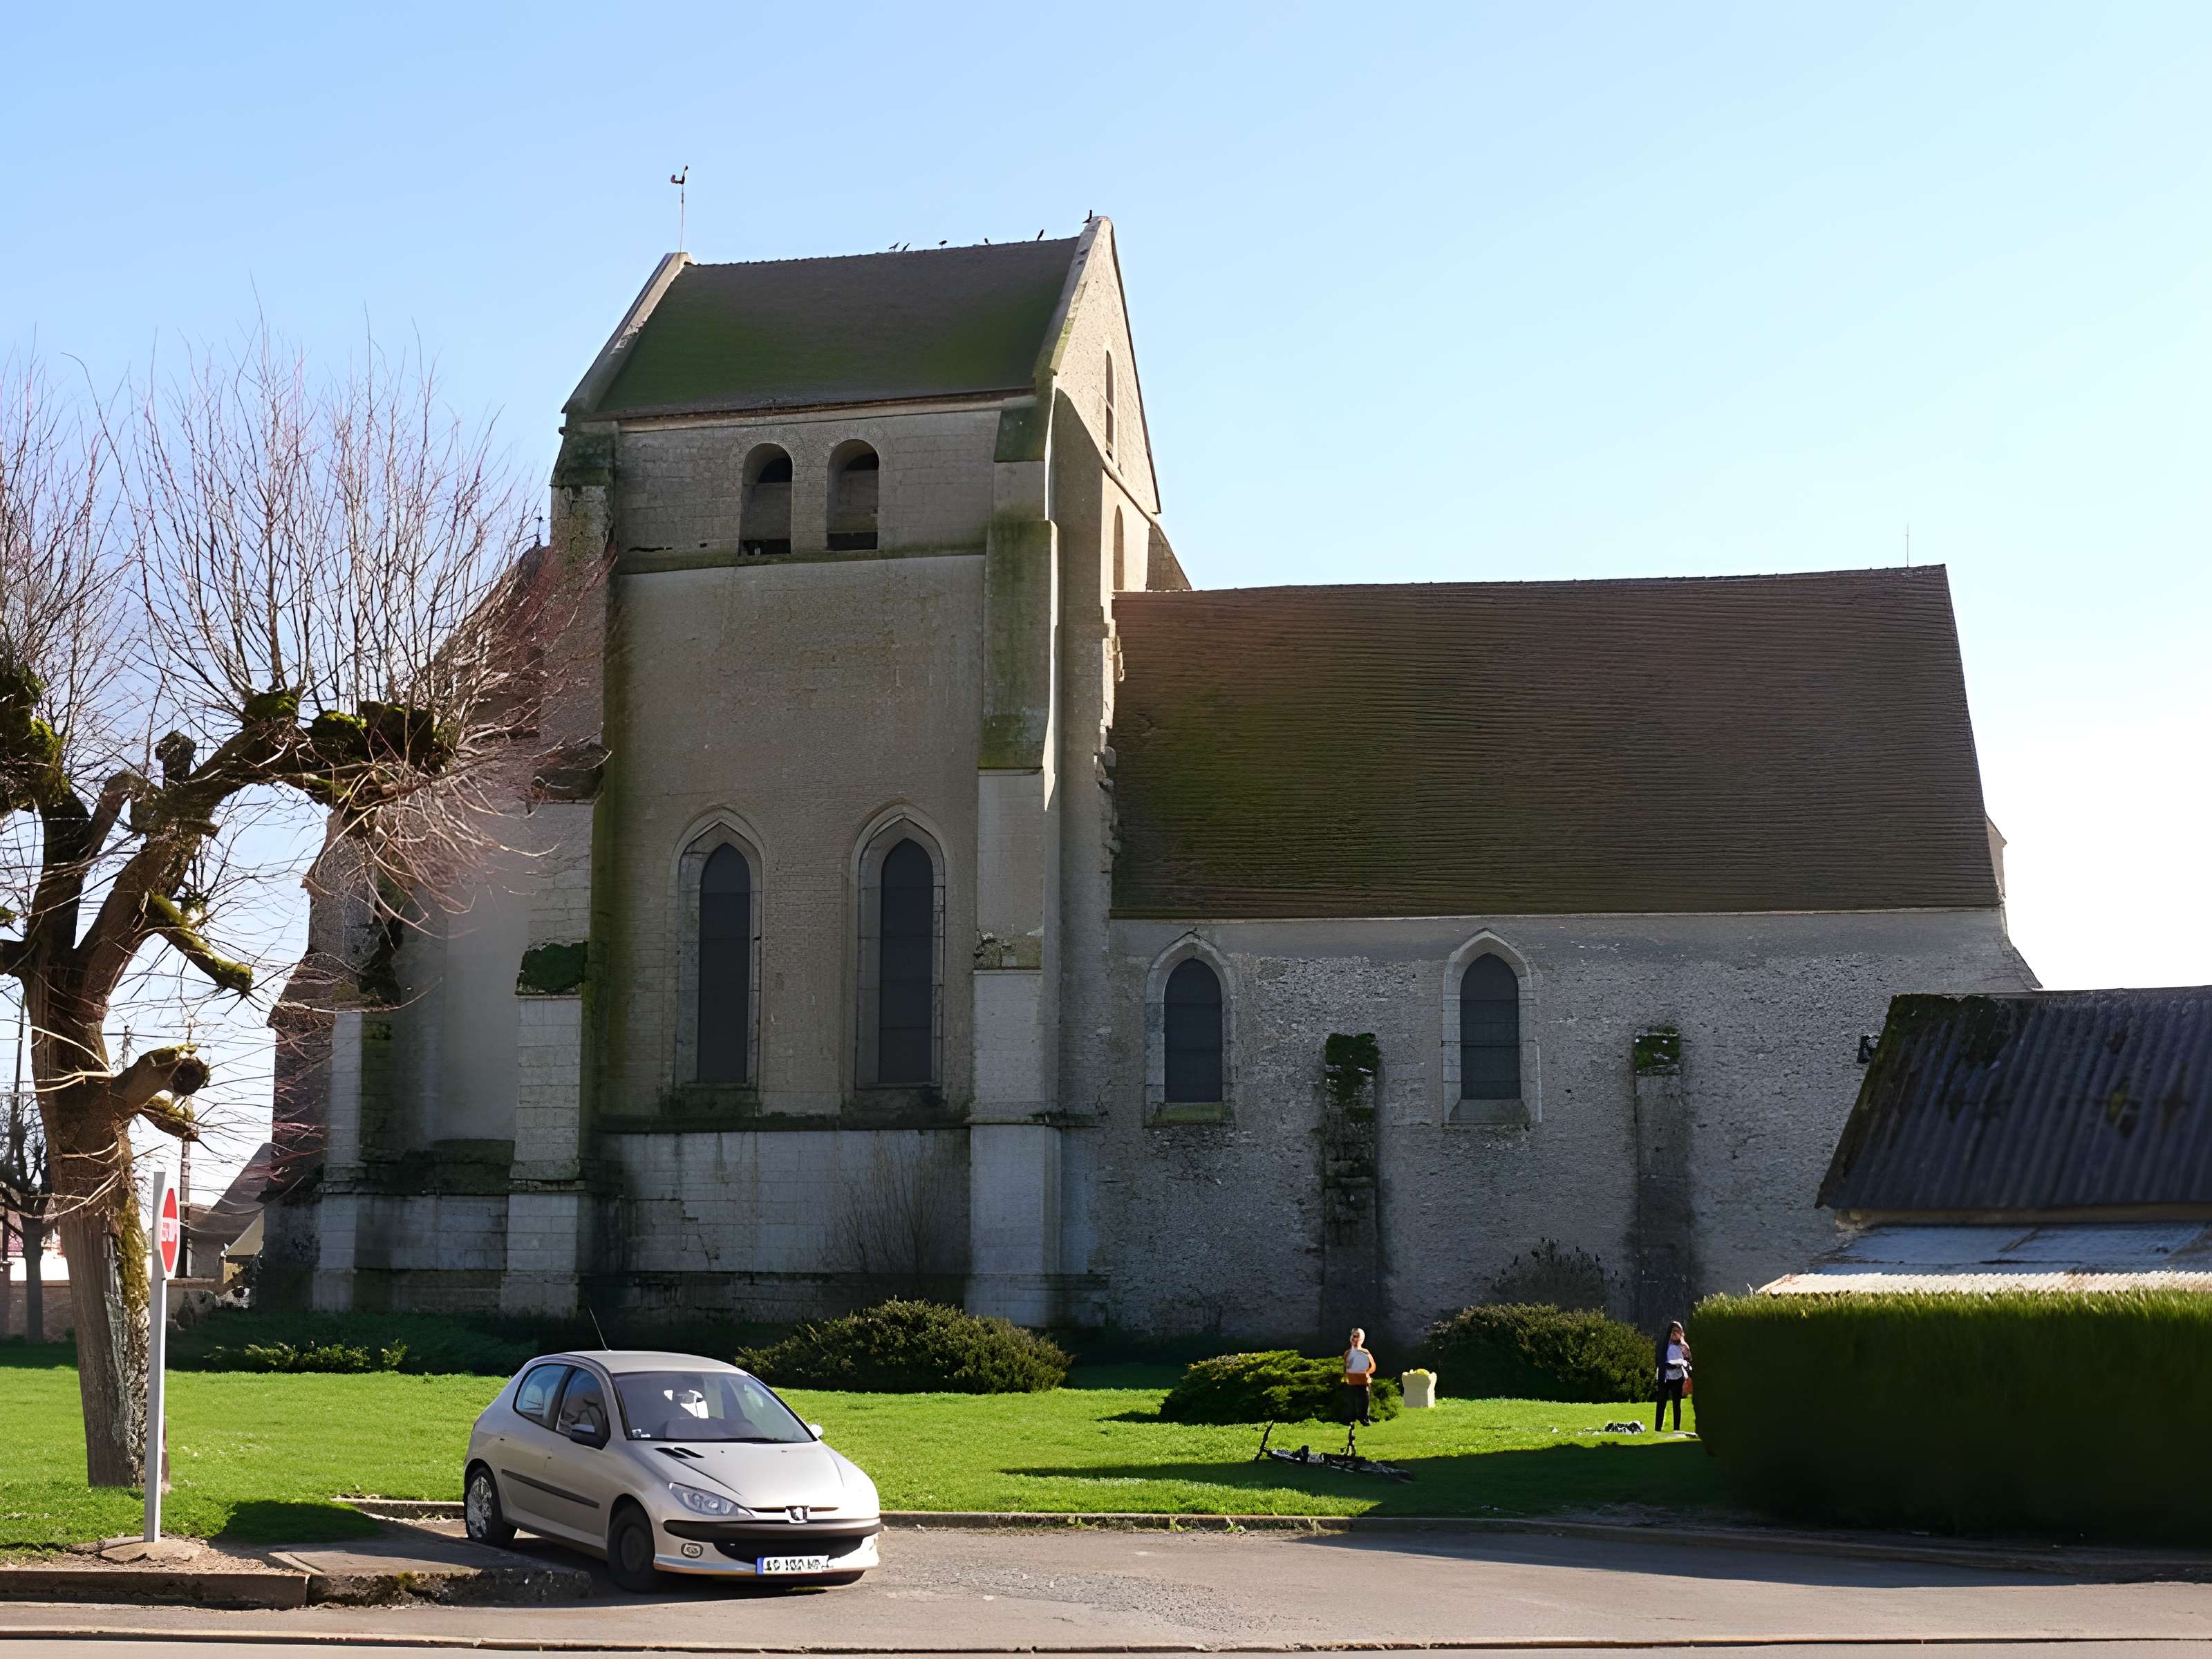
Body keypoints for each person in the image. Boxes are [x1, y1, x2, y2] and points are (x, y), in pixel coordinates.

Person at [1654, 1320, 1692, 1432]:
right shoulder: (1665, 1345)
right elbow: (1662, 1362)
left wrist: (1685, 1361)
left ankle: (1677, 1428)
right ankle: (1658, 1428)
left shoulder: (1683, 1345)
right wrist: (1674, 1364)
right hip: (1665, 1378)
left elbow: (1688, 1358)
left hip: (1678, 1378)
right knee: (1661, 1404)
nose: (1677, 1335)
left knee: (1677, 1404)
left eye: (1679, 1332)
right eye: (1674, 1332)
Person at [1340, 1327, 1377, 1427]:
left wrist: (1367, 1374)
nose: (1354, 1338)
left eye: (1357, 1336)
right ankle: (1350, 1419)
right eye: (1353, 1335)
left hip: (1363, 1382)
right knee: (1350, 1402)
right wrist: (1345, 1377)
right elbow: (1345, 1367)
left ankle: (1364, 1419)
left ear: (1362, 1339)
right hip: (1351, 1383)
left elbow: (1373, 1367)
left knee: (1364, 1402)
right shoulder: (1347, 1353)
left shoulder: (1366, 1352)